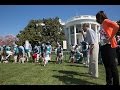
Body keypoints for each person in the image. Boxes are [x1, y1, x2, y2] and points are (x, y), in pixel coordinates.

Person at [96, 11, 119, 85]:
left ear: (100, 17)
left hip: (109, 46)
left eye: (97, 18)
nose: (96, 20)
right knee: (107, 66)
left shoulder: (106, 21)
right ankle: (109, 83)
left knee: (113, 66)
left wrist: (110, 38)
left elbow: (116, 26)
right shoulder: (101, 25)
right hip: (103, 46)